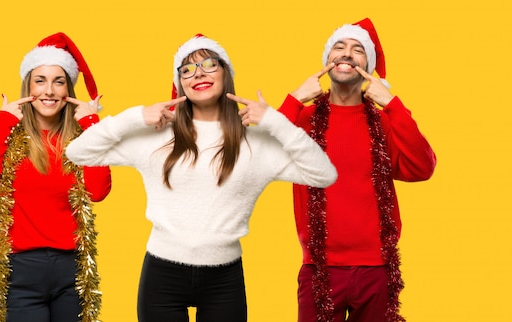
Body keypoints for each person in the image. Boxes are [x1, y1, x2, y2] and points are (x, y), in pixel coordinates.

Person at [65, 34, 337, 322]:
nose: (199, 74)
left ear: (225, 74)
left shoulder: (255, 142)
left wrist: (273, 121)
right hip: (162, 275)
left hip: (225, 279)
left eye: (209, 64)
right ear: (180, 83)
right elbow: (79, 152)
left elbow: (323, 173)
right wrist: (135, 116)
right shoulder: (156, 136)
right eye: (187, 69)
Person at [278, 18, 437, 322]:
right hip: (319, 271)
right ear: (328, 61)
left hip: (377, 270)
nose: (347, 53)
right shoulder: (302, 121)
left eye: (358, 49)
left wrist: (392, 104)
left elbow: (422, 166)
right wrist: (295, 99)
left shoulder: (385, 121)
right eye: (339, 47)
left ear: (368, 66)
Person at [0, 32, 112, 322]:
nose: (49, 91)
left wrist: (91, 125)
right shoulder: (12, 139)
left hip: (71, 271)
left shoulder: (79, 142)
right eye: (40, 81)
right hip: (22, 269)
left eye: (58, 81)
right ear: (29, 86)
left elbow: (98, 192)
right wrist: (3, 123)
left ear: (68, 89)